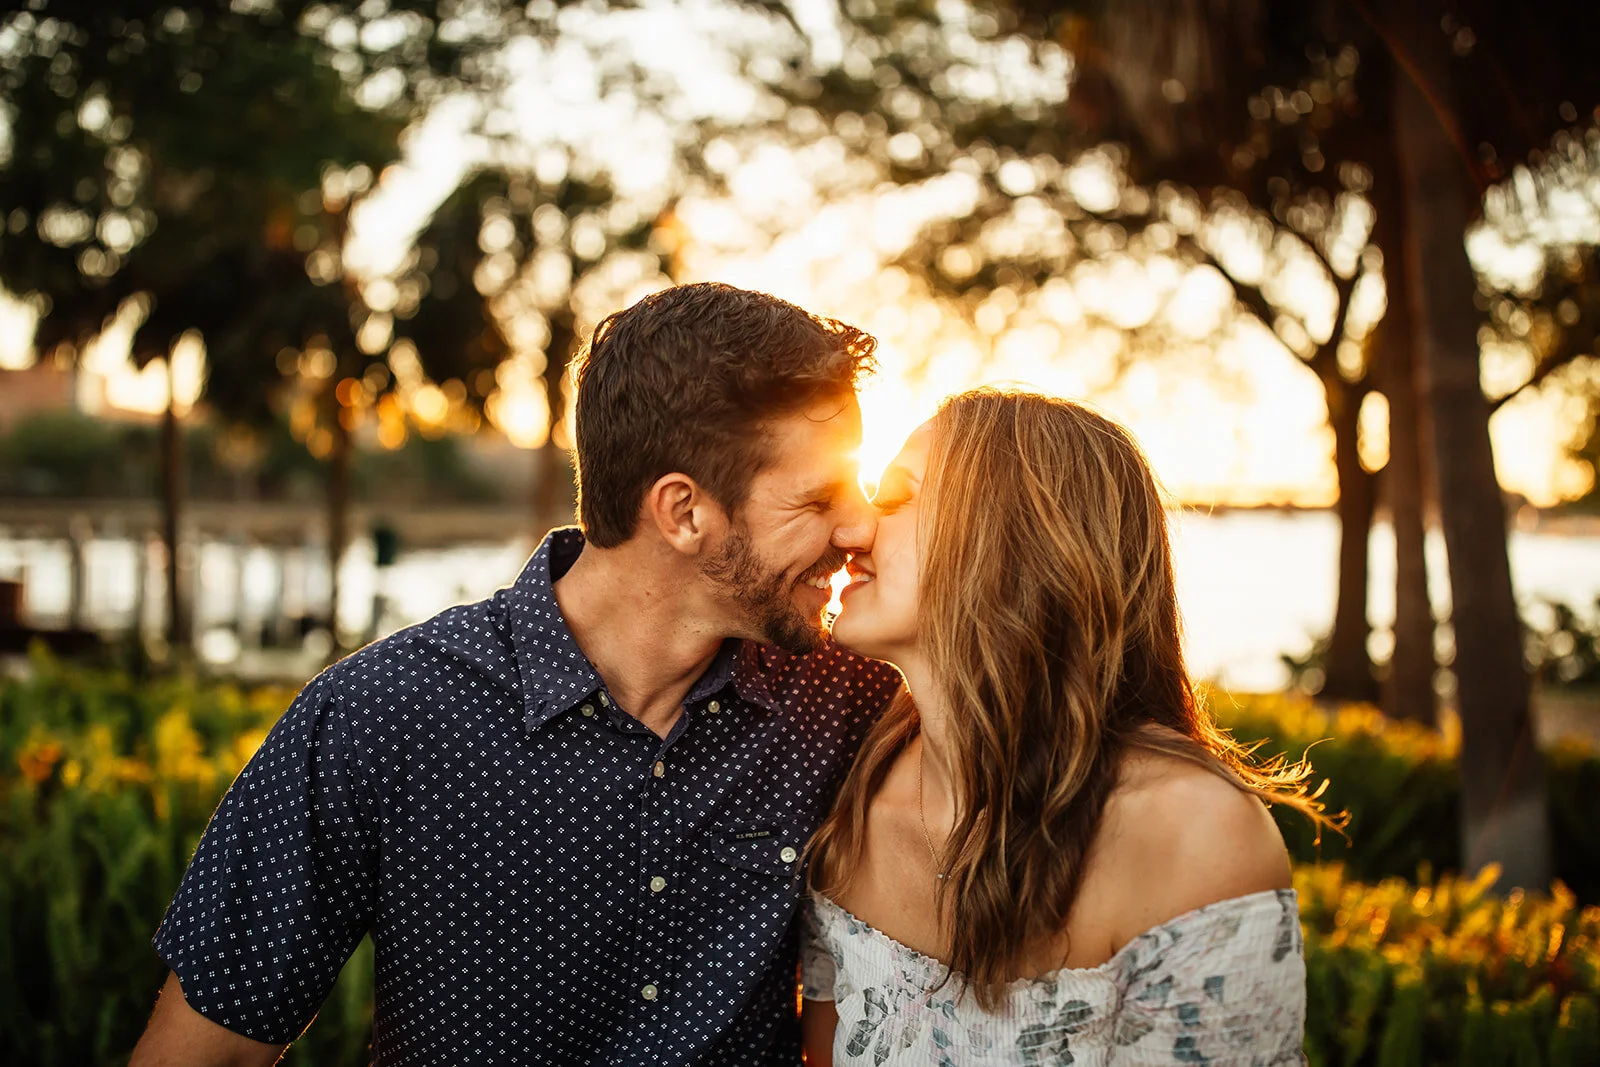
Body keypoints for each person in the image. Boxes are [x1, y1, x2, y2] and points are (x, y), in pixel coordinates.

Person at [130, 283, 901, 1066]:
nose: (858, 524)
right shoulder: (379, 714)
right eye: (818, 497)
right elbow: (207, 1051)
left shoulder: (850, 699)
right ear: (683, 512)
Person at [800, 389, 1332, 1066]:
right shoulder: (852, 784)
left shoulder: (1194, 836)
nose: (852, 530)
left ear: (1006, 541)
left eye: (898, 495)